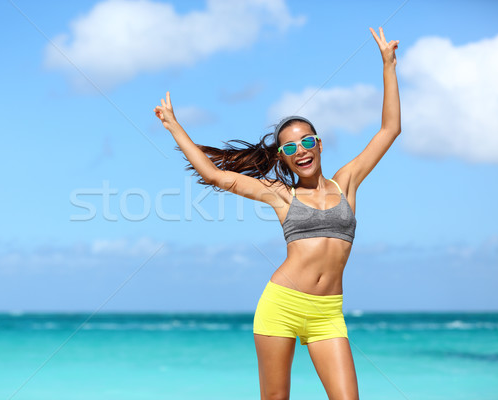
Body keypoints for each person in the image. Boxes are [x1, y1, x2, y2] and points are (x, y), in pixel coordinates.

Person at [154, 26, 400, 400]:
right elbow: (215, 175)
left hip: (328, 315)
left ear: (318, 144)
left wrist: (388, 65)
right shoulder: (281, 195)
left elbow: (390, 129)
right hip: (281, 305)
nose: (300, 150)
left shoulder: (346, 182)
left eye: (305, 141)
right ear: (283, 157)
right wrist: (174, 126)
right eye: (289, 148)